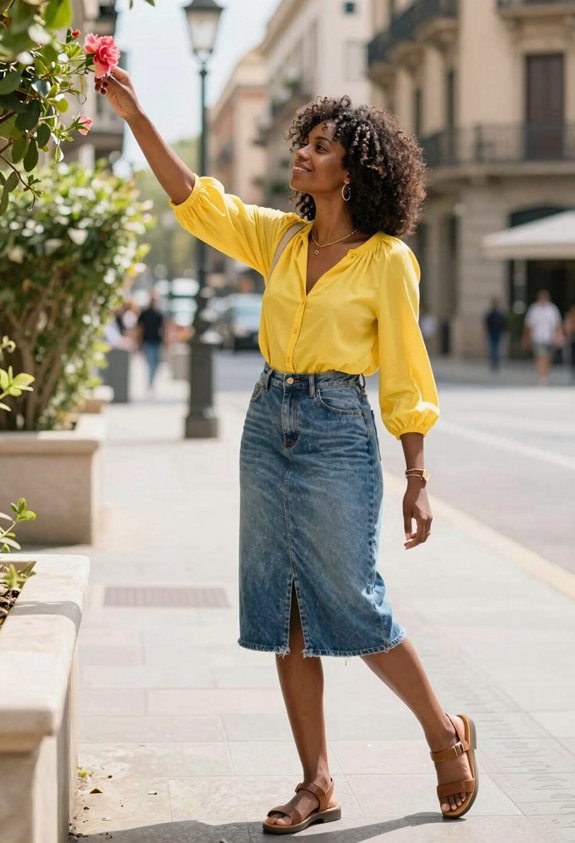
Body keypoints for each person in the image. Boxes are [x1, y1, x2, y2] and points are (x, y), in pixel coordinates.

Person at [97, 68, 479, 830]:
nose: (301, 154)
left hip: (338, 429)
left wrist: (417, 474)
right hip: (267, 421)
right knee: (286, 609)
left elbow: (407, 370)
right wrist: (137, 114)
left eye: (319, 146)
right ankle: (316, 782)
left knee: (352, 599)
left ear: (354, 168)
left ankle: (444, 733)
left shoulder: (387, 260)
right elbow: (194, 199)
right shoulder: (280, 238)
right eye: (302, 143)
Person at [522, 289, 563, 386]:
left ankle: (545, 374)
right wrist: (526, 338)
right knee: (540, 357)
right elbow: (529, 325)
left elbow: (557, 325)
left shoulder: (552, 309)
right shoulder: (534, 309)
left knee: (548, 358)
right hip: (537, 338)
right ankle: (541, 376)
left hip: (549, 338)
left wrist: (558, 336)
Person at [137, 290, 165, 392]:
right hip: (147, 341)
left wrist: (167, 343)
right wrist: (138, 343)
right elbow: (140, 329)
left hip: (157, 341)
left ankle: (151, 383)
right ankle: (150, 384)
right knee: (151, 363)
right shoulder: (144, 313)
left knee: (156, 364)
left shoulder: (160, 314)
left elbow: (164, 329)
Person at [483, 298, 507, 371]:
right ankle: (494, 363)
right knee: (494, 349)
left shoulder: (496, 314)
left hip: (495, 332)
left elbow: (503, 324)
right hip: (494, 332)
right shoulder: (494, 314)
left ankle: (494, 363)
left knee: (494, 349)